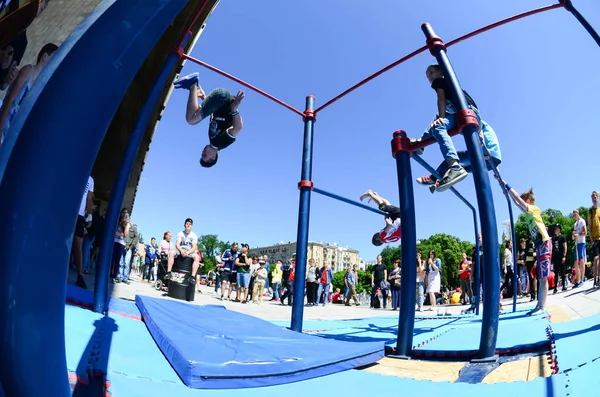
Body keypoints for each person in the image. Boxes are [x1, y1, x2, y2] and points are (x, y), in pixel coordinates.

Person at [411, 64, 501, 192]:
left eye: (431, 72)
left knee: (438, 126)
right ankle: (433, 167)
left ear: (441, 72)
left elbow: (440, 98)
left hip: (467, 113)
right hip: (470, 114)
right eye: (427, 75)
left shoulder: (440, 81)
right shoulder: (452, 85)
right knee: (437, 121)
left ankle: (454, 167)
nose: (429, 77)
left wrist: (441, 117)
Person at [173, 72, 245, 168]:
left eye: (202, 154)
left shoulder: (212, 139)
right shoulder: (222, 143)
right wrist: (234, 110)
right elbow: (238, 128)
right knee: (191, 119)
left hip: (219, 100)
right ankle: (192, 84)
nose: (202, 152)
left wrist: (204, 98)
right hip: (222, 99)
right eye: (204, 155)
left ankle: (194, 88)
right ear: (213, 156)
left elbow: (213, 116)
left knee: (195, 116)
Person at [503, 182, 550, 316]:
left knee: (543, 278)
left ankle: (542, 306)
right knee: (541, 277)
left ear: (528, 201)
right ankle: (539, 304)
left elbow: (518, 200)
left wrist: (506, 185)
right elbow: (517, 202)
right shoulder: (528, 213)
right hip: (540, 246)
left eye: (524, 202)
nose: (521, 205)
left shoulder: (534, 209)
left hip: (545, 244)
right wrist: (504, 189)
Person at [0, 43, 58, 146]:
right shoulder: (28, 71)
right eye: (53, 58)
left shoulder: (39, 84)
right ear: (44, 56)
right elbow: (10, 100)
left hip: (10, 132)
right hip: (4, 124)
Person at [164, 218, 201, 284]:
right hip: (180, 249)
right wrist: (181, 250)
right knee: (172, 252)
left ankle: (192, 277)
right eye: (187, 224)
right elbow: (177, 244)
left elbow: (194, 247)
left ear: (191, 226)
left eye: (190, 224)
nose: (188, 225)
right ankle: (168, 272)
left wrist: (188, 252)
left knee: (197, 257)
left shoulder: (194, 235)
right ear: (184, 225)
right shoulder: (180, 233)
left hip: (189, 251)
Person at [572, 209, 587, 288]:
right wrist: (573, 235)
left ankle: (582, 279)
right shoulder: (575, 224)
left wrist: (578, 234)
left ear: (578, 213)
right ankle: (577, 280)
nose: (574, 216)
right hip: (576, 243)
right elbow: (573, 235)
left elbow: (585, 232)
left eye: (575, 214)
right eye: (573, 215)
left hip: (581, 242)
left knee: (581, 261)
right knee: (575, 262)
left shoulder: (582, 221)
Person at [551, 224, 567, 293]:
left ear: (559, 229)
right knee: (556, 273)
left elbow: (565, 246)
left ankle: (563, 285)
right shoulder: (553, 238)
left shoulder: (562, 237)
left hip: (561, 256)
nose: (555, 230)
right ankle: (555, 287)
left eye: (557, 228)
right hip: (555, 257)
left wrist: (564, 256)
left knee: (563, 271)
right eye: (555, 228)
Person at [589, 191, 600, 287]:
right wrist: (591, 240)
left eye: (595, 196)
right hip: (595, 238)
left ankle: (599, 278)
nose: (594, 198)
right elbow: (589, 227)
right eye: (592, 197)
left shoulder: (599, 210)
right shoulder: (590, 211)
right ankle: (595, 278)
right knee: (596, 258)